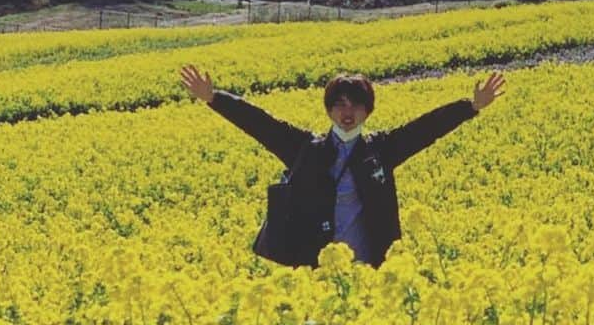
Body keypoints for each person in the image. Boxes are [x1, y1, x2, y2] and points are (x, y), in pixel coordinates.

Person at [179, 65, 505, 268]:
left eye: (356, 105)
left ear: (368, 111)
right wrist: (215, 99)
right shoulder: (305, 149)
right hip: (315, 268)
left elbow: (425, 129)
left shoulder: (380, 149)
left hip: (366, 266)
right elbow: (261, 124)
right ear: (329, 111)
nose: (347, 112)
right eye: (339, 104)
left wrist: (471, 106)